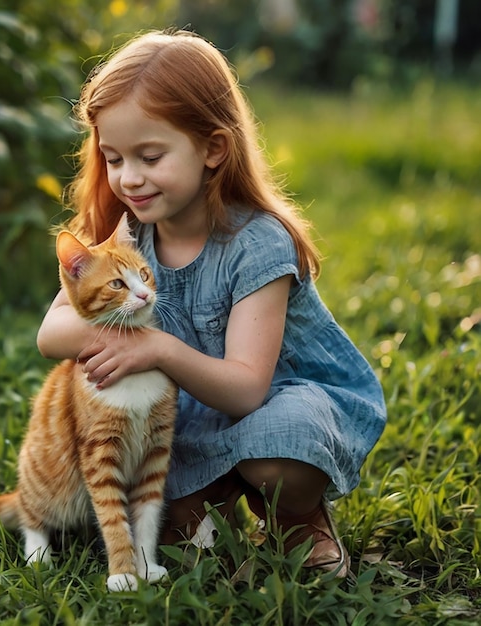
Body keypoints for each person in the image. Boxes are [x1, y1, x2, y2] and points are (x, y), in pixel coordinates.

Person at [37, 29, 386, 577]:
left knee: (280, 451)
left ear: (213, 149)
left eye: (150, 156)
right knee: (153, 497)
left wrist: (155, 346)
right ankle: (214, 493)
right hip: (191, 415)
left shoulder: (257, 242)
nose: (128, 177)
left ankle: (298, 516)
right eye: (112, 157)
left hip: (276, 400)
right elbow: (49, 335)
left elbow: (247, 389)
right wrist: (118, 338)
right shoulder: (126, 236)